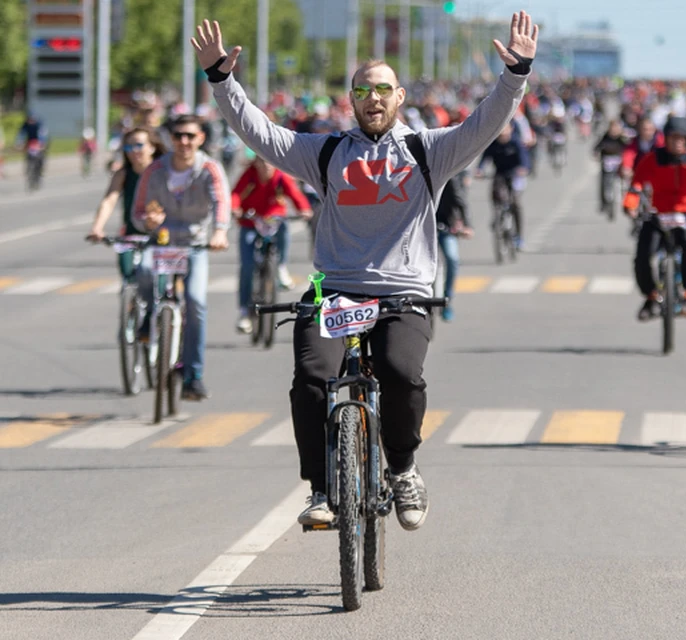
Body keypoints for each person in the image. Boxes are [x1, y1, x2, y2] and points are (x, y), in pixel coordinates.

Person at [192, 12, 539, 530]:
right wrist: (222, 80)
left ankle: (402, 467)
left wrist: (516, 75)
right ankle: (319, 487)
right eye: (362, 90)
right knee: (312, 378)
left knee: (401, 374)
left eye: (383, 89)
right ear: (350, 100)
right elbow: (260, 133)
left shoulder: (429, 149)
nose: (373, 98)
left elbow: (485, 123)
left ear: (400, 98)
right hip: (334, 291)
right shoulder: (327, 153)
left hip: (403, 294)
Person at [131, 113, 232, 401]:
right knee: (145, 273)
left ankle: (193, 376)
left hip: (195, 244)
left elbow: (221, 202)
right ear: (170, 139)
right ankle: (150, 316)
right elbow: (138, 211)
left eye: (190, 136)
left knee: (196, 301)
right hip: (161, 243)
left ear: (201, 139)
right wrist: (147, 222)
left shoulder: (209, 169)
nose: (184, 142)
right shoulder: (155, 170)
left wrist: (220, 232)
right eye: (178, 136)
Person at [622, 116, 686, 320]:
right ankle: (651, 296)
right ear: (665, 139)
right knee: (643, 253)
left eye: (681, 138)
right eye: (672, 138)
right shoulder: (653, 158)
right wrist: (630, 204)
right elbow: (636, 185)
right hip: (658, 213)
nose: (677, 142)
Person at [231, 155, 313, 333]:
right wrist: (235, 208)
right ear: (256, 163)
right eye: (262, 162)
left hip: (274, 220)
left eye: (269, 162)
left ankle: (281, 266)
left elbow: (295, 194)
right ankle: (244, 311)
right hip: (250, 222)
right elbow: (236, 194)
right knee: (247, 266)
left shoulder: (281, 176)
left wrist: (304, 209)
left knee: (284, 229)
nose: (266, 166)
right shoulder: (249, 175)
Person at [86, 128, 167, 286]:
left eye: (139, 145)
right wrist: (97, 227)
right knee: (128, 275)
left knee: (158, 282)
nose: (134, 151)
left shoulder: (163, 172)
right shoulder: (123, 173)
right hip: (131, 234)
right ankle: (131, 306)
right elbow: (109, 200)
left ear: (152, 147)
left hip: (161, 234)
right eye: (128, 147)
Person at [478, 123, 531, 249]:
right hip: (500, 174)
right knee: (495, 193)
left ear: (510, 130)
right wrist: (479, 170)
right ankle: (497, 216)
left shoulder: (515, 142)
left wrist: (524, 168)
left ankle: (518, 236)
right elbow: (484, 158)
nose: (502, 135)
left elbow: (524, 159)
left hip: (515, 174)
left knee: (515, 203)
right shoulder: (493, 144)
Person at [435, 170, 473, 321]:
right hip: (419, 230)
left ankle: (447, 300)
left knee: (452, 259)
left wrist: (467, 225)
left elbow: (460, 200)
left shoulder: (448, 176)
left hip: (444, 225)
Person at [593, 119, 630, 211]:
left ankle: (625, 201)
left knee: (624, 182)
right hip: (607, 163)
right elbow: (597, 147)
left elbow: (629, 148)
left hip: (619, 164)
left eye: (616, 127)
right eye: (612, 127)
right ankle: (604, 203)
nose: (614, 130)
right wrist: (597, 153)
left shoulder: (621, 138)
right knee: (604, 183)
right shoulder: (605, 137)